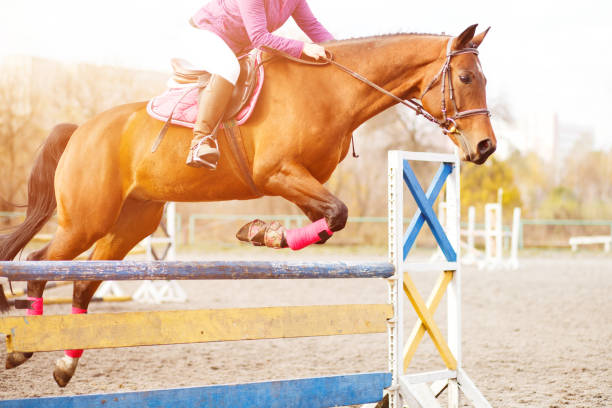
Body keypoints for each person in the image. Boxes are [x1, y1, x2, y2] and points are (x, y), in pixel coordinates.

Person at [182, 0, 335, 169]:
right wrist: (303, 47)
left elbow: (312, 25)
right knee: (229, 68)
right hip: (203, 35)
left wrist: (339, 52)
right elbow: (260, 39)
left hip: (236, 48)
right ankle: (200, 141)